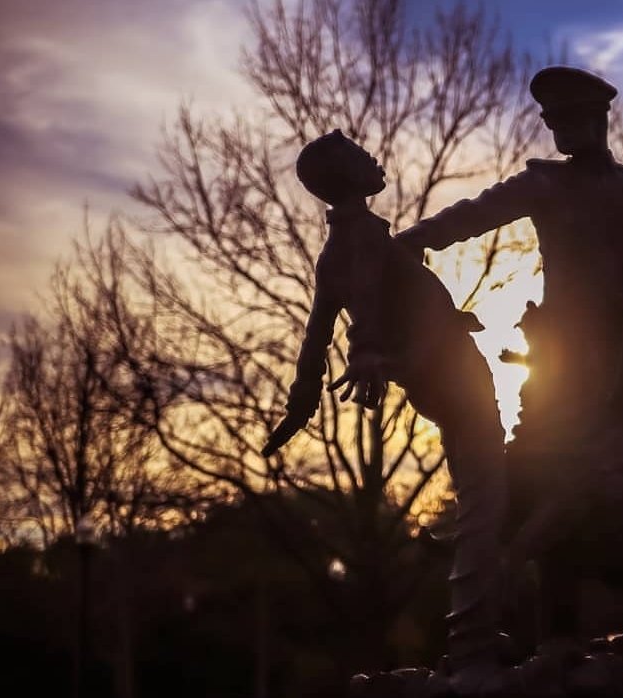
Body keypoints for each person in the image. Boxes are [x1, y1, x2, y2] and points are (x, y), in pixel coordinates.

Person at [395, 66, 623, 657]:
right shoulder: (542, 183)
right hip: (559, 359)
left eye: (571, 119)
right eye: (553, 122)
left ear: (599, 120)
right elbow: (471, 214)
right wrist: (409, 242)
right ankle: (557, 636)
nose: (562, 131)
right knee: (543, 478)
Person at [261, 130, 507, 693]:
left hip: (443, 371)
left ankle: (477, 619)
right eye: (358, 153)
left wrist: (301, 402)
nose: (373, 157)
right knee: (488, 496)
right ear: (346, 175)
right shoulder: (357, 245)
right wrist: (369, 350)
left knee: (485, 491)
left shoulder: (349, 245)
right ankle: (472, 643)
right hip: (454, 375)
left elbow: (316, 334)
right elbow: (362, 308)